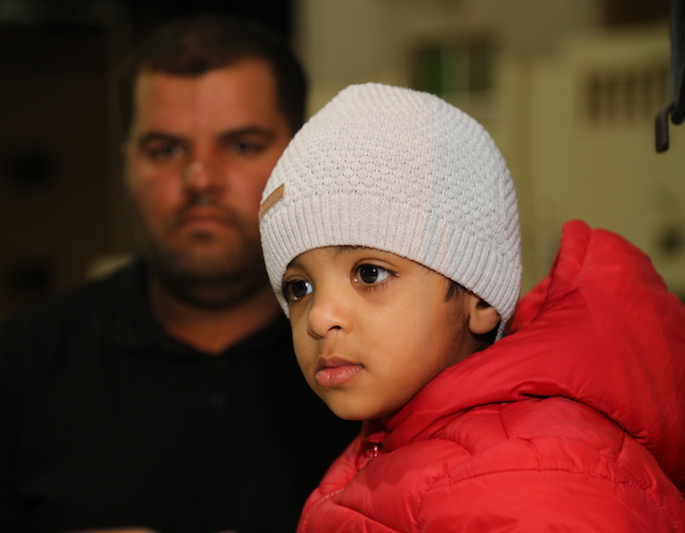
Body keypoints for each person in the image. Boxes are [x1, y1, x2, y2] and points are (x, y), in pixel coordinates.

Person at [0, 15, 357, 533]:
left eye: (241, 145)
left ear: (299, 157)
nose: (200, 178)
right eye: (166, 149)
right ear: (125, 164)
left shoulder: (367, 352)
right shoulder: (26, 359)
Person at [258, 82, 685, 531]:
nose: (320, 317)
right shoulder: (388, 446)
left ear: (479, 296)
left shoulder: (528, 480)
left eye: (369, 274)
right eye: (300, 287)